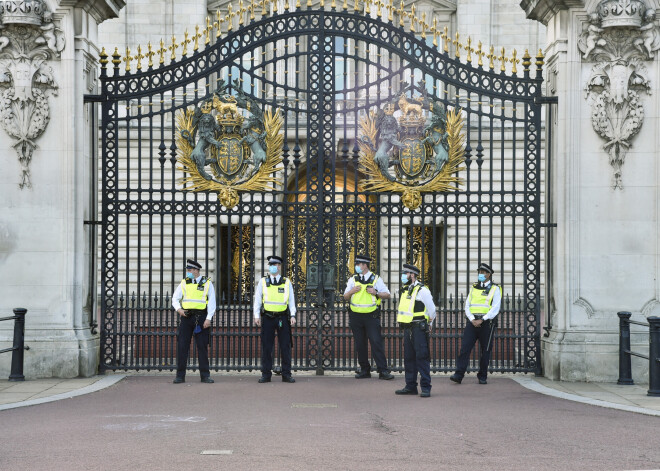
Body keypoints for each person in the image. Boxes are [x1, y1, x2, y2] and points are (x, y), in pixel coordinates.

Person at [343, 254, 394, 380]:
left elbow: (387, 294)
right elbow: (345, 296)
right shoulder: (353, 279)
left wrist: (375, 292)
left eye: (358, 264)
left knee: (376, 342)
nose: (356, 266)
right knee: (360, 344)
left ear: (365, 265)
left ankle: (383, 371)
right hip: (356, 316)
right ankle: (365, 370)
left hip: (371, 317)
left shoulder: (376, 279)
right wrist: (351, 291)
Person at [450, 263, 502, 385]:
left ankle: (482, 376)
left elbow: (495, 308)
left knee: (486, 350)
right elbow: (467, 304)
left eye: (483, 272)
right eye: (479, 272)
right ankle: (458, 374)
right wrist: (472, 319)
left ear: (489, 274)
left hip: (486, 324)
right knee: (465, 348)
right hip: (472, 322)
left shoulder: (495, 288)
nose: (480, 274)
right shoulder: (474, 287)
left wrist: (482, 319)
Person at [395, 263, 436, 398]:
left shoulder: (422, 290)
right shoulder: (405, 290)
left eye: (405, 274)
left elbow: (432, 309)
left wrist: (430, 322)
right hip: (408, 328)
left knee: (422, 357)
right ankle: (410, 386)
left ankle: (425, 387)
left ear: (412, 275)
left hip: (419, 327)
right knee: (409, 358)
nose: (402, 276)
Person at [253, 255, 297, 383]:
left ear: (280, 267)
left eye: (276, 265)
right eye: (272, 265)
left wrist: (293, 315)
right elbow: (257, 300)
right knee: (267, 347)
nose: (274, 267)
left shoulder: (286, 282)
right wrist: (256, 315)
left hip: (282, 317)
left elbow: (291, 301)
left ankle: (286, 374)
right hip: (267, 317)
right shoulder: (262, 282)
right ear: (269, 267)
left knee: (285, 346)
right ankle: (266, 374)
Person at [171, 259, 216, 384]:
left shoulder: (207, 283)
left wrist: (208, 318)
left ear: (196, 270)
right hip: (186, 317)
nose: (188, 272)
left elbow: (212, 302)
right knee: (182, 347)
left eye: (190, 270)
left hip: (201, 318)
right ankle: (180, 376)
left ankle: (205, 375)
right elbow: (175, 298)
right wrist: (179, 309)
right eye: (187, 270)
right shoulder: (184, 283)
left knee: (202, 347)